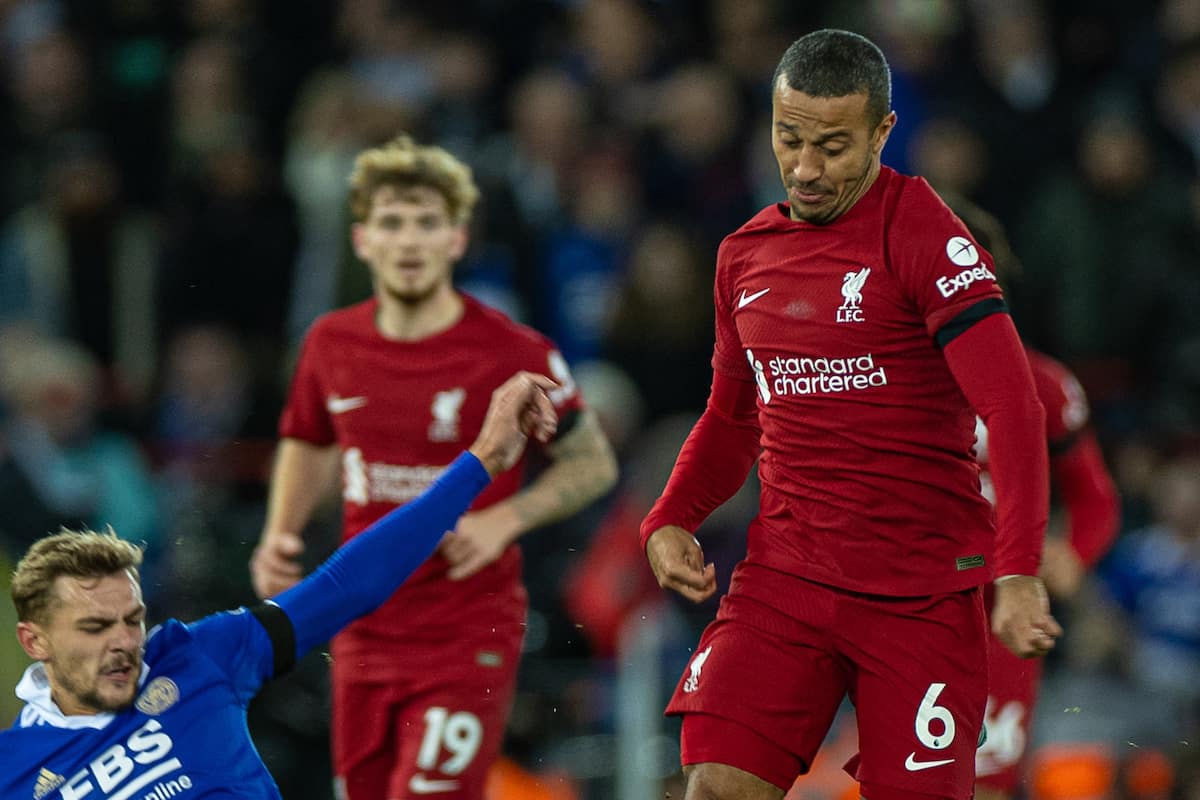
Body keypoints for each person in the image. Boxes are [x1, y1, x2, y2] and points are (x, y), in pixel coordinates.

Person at [639, 29, 1061, 800]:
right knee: (715, 787)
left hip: (921, 596)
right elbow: (732, 421)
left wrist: (1020, 571)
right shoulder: (743, 255)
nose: (805, 168)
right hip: (785, 581)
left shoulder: (926, 234)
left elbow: (1013, 407)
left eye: (833, 147)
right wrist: (670, 515)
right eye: (788, 138)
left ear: (882, 133)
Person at [248, 134, 618, 800]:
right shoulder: (331, 344)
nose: (410, 240)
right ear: (363, 240)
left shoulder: (512, 350)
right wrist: (283, 530)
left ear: (457, 238)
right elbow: (308, 440)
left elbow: (592, 463)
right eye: (392, 223)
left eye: (427, 223)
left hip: (465, 629)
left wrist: (507, 517)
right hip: (361, 629)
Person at [0, 371, 558, 798]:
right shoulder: (13, 773)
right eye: (95, 626)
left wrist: (481, 460)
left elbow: (346, 584)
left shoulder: (198, 657)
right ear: (35, 641)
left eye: (131, 619)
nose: (123, 642)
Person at [945, 196, 1122, 800]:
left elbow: (1095, 498)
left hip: (1000, 605)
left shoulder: (1043, 384)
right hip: (908, 599)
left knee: (986, 780)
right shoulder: (875, 384)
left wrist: (1072, 553)